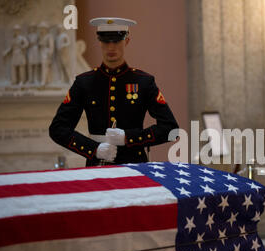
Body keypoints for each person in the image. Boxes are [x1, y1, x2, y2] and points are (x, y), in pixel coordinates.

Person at [49, 17, 179, 166]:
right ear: (99, 42)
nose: (111, 47)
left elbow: (171, 129)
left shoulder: (143, 81)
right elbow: (57, 129)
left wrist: (128, 138)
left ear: (127, 41)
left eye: (117, 41)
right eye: (105, 41)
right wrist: (94, 149)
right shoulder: (84, 82)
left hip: (134, 166)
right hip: (98, 165)